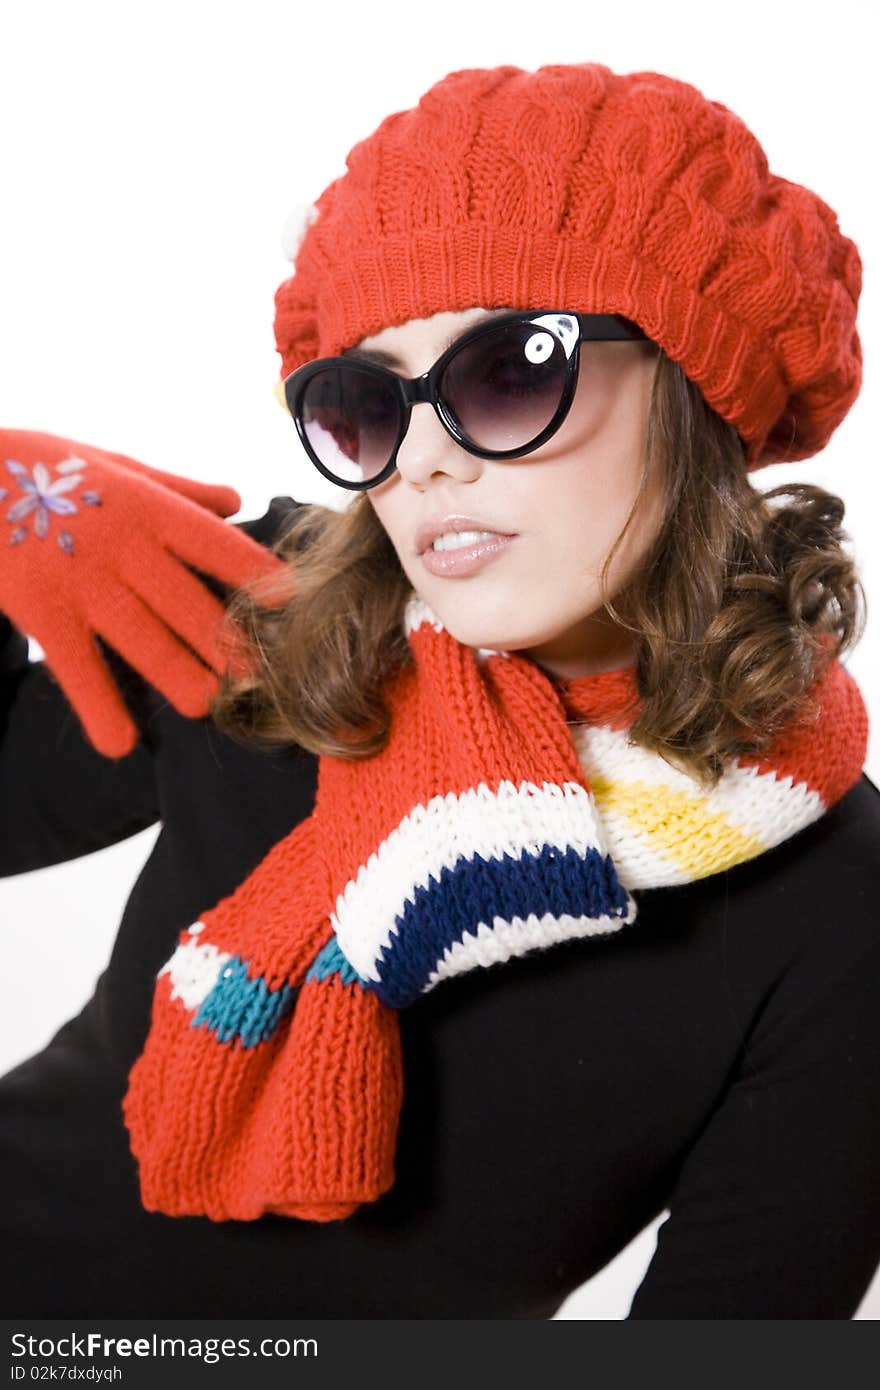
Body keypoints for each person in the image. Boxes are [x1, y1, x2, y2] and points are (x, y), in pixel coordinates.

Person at [1, 60, 879, 1320]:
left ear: (701, 393)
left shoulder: (838, 910)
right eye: (366, 401)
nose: (419, 463)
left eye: (506, 372)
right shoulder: (278, 615)